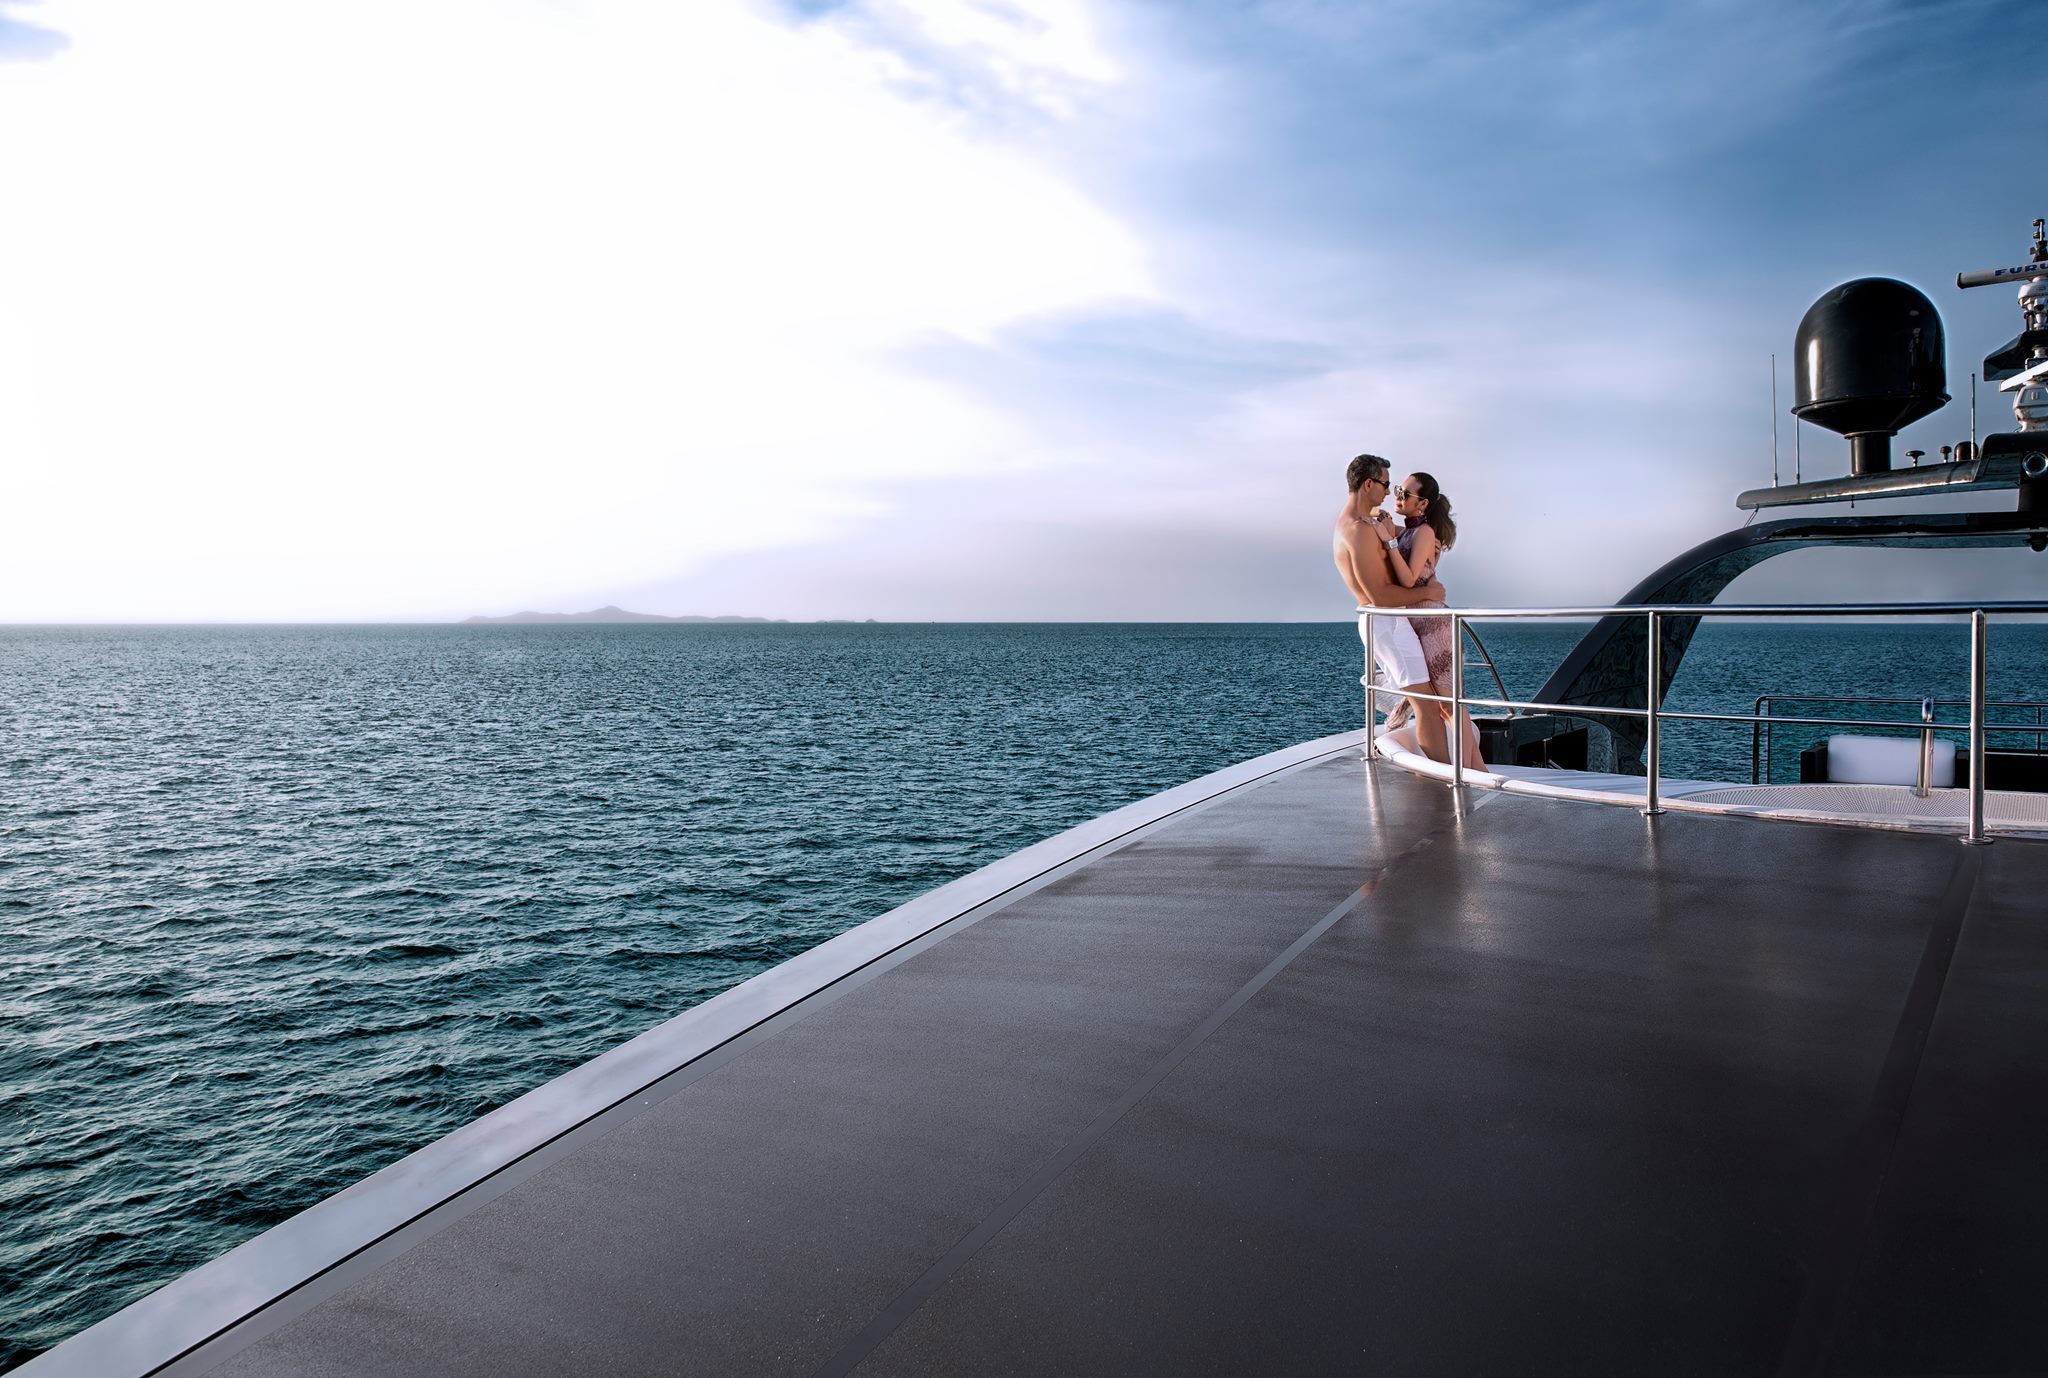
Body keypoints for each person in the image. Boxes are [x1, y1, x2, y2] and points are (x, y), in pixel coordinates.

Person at [1331, 454, 1449, 763]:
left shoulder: (1366, 524)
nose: (1389, 492)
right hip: (1386, 622)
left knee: (1429, 703)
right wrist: (1429, 591)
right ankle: (1442, 777)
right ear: (1368, 484)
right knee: (1426, 706)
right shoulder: (1356, 529)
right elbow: (1379, 595)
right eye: (1385, 484)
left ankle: (1442, 771)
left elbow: (1411, 536)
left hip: (1390, 622)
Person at [1378, 471, 1483, 767]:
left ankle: (1468, 771)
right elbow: (1381, 523)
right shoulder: (1408, 532)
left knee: (1451, 707)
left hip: (1436, 628)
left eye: (1404, 493)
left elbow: (1410, 580)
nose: (1398, 496)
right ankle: (1475, 771)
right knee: (1442, 708)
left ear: (1422, 504)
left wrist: (1389, 542)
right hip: (1421, 626)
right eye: (1398, 489)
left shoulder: (1423, 533)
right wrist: (1387, 532)